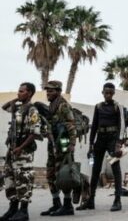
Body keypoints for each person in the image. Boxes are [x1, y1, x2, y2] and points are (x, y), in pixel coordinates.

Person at [82, 82, 126, 212]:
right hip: (100, 139)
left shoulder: (118, 107)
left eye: (111, 93)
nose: (108, 95)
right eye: (106, 93)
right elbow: (94, 126)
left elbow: (122, 126)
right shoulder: (98, 107)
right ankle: (91, 200)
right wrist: (91, 144)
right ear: (102, 93)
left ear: (113, 93)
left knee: (115, 169)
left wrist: (118, 144)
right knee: (95, 169)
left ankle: (117, 200)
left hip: (113, 140)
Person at [1, 82, 42, 221]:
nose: (18, 93)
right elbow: (4, 107)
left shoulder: (32, 110)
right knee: (10, 179)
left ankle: (24, 211)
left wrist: (21, 148)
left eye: (21, 91)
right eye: (19, 91)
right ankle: (13, 209)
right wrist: (17, 99)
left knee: (24, 179)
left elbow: (35, 133)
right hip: (12, 150)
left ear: (29, 93)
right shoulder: (17, 109)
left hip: (23, 152)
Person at [40, 80, 77, 217]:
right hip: (53, 143)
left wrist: (71, 144)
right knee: (50, 173)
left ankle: (68, 205)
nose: (48, 93)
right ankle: (56, 203)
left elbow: (71, 124)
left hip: (64, 143)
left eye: (51, 91)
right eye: (47, 91)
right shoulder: (51, 106)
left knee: (64, 174)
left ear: (58, 92)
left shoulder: (63, 106)